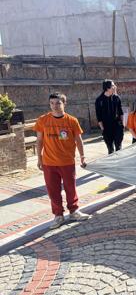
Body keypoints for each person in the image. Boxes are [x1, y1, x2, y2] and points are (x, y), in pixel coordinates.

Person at [34, 93, 90, 229]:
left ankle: (74, 211)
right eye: (52, 103)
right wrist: (39, 159)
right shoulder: (43, 120)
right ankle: (58, 215)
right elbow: (39, 141)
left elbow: (78, 140)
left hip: (67, 162)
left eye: (58, 103)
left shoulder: (72, 121)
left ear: (64, 103)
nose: (55, 106)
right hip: (49, 163)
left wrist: (82, 156)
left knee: (71, 188)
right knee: (53, 190)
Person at [95, 79, 124, 154]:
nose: (115, 87)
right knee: (110, 150)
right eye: (113, 85)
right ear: (107, 88)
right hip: (107, 127)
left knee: (119, 147)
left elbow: (121, 112)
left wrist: (123, 124)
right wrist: (103, 128)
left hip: (117, 125)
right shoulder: (99, 100)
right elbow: (99, 116)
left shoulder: (116, 98)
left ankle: (119, 164)